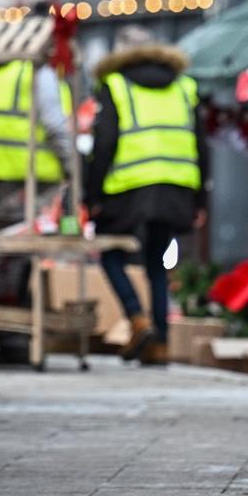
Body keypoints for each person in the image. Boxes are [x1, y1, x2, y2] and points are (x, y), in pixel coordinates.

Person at [85, 27, 207, 367]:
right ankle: (161, 344)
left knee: (111, 255)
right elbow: (201, 144)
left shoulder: (115, 86)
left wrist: (91, 194)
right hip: (176, 186)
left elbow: (104, 143)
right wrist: (200, 200)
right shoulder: (185, 87)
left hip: (127, 187)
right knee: (156, 263)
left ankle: (138, 320)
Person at [0, 44, 74, 363]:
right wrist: (73, 166)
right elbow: (54, 124)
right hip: (29, 178)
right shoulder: (37, 73)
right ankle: (14, 342)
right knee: (18, 257)